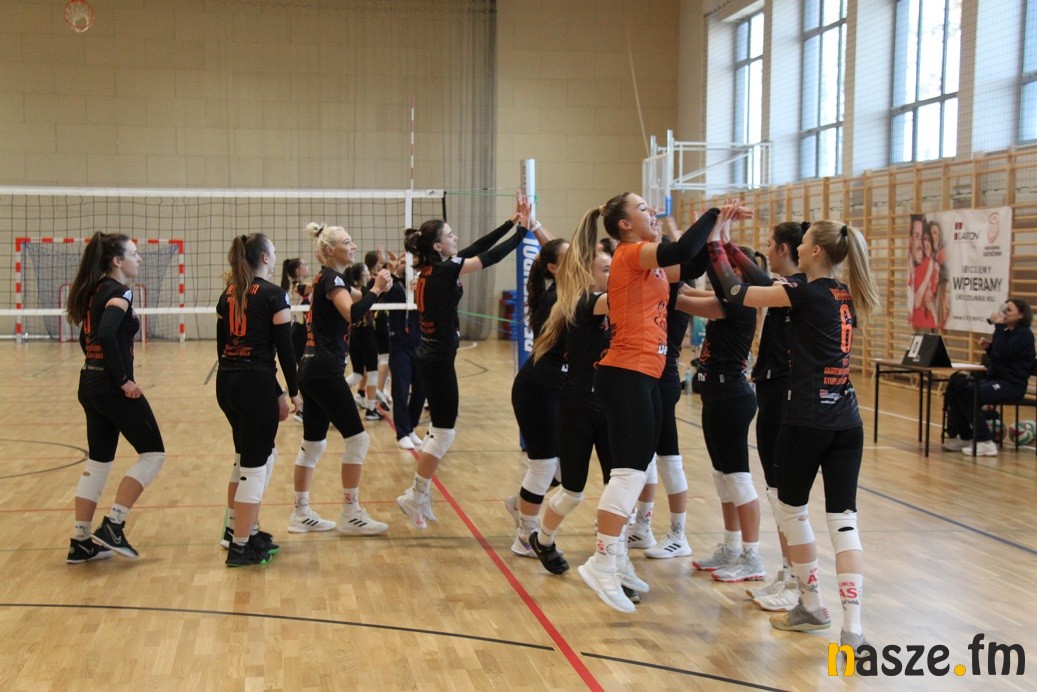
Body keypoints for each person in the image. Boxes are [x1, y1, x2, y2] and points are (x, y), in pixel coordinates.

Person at [707, 217, 879, 654]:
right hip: (848, 421)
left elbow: (736, 292)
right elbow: (766, 282)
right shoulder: (845, 293)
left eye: (804, 244)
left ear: (816, 251)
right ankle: (853, 629)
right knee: (844, 521)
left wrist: (715, 245)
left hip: (806, 419)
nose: (798, 248)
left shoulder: (804, 292)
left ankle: (811, 605)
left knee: (792, 513)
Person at [575, 192, 743, 613]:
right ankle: (601, 563)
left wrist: (719, 234)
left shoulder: (650, 264)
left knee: (635, 472)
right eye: (643, 208)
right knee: (628, 475)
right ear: (625, 225)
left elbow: (692, 264)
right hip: (625, 373)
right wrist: (712, 213)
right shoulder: (630, 253)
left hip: (646, 374)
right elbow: (682, 249)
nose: (652, 212)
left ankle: (616, 560)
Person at [395, 196, 530, 529]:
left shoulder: (437, 267)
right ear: (438, 246)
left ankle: (419, 494)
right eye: (450, 235)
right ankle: (415, 494)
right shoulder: (443, 271)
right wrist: (522, 233)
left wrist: (511, 223)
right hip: (437, 359)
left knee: (440, 431)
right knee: (444, 433)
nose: (455, 238)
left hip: (434, 355)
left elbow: (476, 247)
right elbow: (489, 256)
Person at [64, 232, 166, 563]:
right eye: (134, 254)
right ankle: (113, 525)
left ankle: (81, 541)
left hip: (89, 382)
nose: (140, 259)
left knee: (99, 461)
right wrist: (123, 380)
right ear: (117, 261)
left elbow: (87, 338)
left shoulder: (94, 291)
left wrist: (97, 364)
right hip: (111, 386)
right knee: (153, 454)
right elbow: (106, 333)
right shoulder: (120, 292)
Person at [289, 223, 394, 536]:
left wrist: (378, 286)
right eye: (347, 242)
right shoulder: (332, 278)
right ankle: (351, 513)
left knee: (313, 443)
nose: (353, 246)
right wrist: (376, 289)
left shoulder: (330, 278)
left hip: (311, 368)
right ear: (330, 250)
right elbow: (353, 313)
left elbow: (357, 300)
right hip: (324, 369)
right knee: (358, 440)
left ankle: (300, 513)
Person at [526, 242, 612, 577]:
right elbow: (625, 297)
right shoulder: (583, 302)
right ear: (587, 276)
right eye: (607, 270)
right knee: (573, 492)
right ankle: (543, 539)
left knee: (618, 485)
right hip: (578, 405)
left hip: (609, 404)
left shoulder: (606, 301)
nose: (613, 275)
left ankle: (614, 560)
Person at [216, 233, 302, 567]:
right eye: (274, 252)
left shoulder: (228, 294)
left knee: (246, 459)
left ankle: (241, 531)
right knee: (255, 465)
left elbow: (222, 348)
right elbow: (285, 350)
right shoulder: (274, 295)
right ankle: (240, 547)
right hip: (255, 385)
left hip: (228, 383)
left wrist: (274, 389)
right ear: (265, 258)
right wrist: (293, 391)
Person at [680, 244, 764, 584]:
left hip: (732, 398)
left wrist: (658, 284)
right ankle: (730, 548)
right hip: (715, 396)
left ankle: (752, 556)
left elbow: (682, 300)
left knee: (738, 479)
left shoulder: (737, 302)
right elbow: (689, 293)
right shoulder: (725, 298)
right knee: (723, 478)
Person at [746, 221, 808, 612]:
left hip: (785, 392)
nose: (766, 250)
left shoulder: (794, 288)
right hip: (770, 388)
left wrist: (720, 245)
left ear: (784, 249)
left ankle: (798, 582)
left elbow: (746, 286)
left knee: (786, 494)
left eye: (770, 244)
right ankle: (788, 571)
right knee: (775, 490)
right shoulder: (784, 286)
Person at [504, 237, 569, 557]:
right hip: (537, 389)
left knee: (566, 470)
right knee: (543, 465)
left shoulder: (572, 292)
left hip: (557, 388)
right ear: (554, 268)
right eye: (570, 256)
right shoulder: (558, 298)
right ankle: (524, 535)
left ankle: (520, 503)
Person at [943, 299, 1036, 457]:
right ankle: (966, 436)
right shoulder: (1007, 333)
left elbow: (1003, 352)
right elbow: (1001, 356)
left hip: (1012, 385)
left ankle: (985, 442)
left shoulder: (1024, 334)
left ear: (1021, 315)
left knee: (971, 394)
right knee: (956, 390)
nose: (1004, 313)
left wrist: (998, 327)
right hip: (997, 381)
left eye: (1009, 310)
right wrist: (990, 348)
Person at [385, 233, 427, 450]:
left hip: (421, 343)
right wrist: (392, 274)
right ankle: (402, 432)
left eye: (408, 260)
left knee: (421, 390)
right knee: (400, 391)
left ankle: (410, 427)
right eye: (402, 261)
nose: (405, 264)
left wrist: (418, 288)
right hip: (400, 344)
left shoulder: (423, 282)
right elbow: (384, 294)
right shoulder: (394, 285)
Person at [347, 262, 382, 421]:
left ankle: (332, 395)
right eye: (367, 270)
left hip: (353, 333)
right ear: (362, 274)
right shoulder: (365, 292)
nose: (369, 273)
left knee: (357, 374)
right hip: (365, 333)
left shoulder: (349, 290)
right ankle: (371, 409)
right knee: (373, 371)